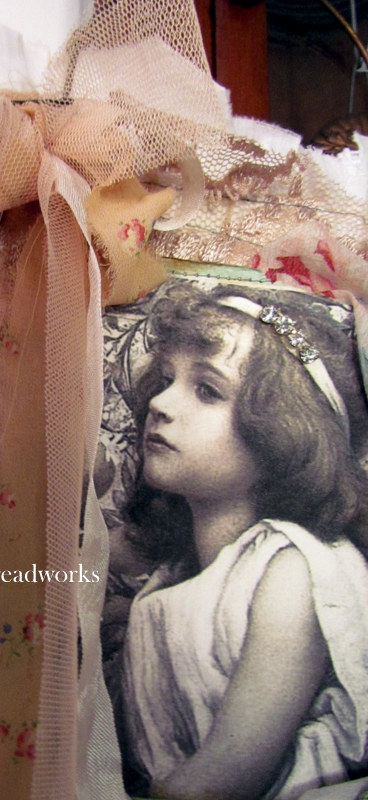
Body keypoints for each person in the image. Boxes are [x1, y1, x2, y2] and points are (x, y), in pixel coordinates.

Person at [118, 282, 368, 800]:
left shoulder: (291, 570)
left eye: (207, 391)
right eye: (165, 380)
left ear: (281, 430)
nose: (160, 403)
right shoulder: (175, 571)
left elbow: (222, 780)